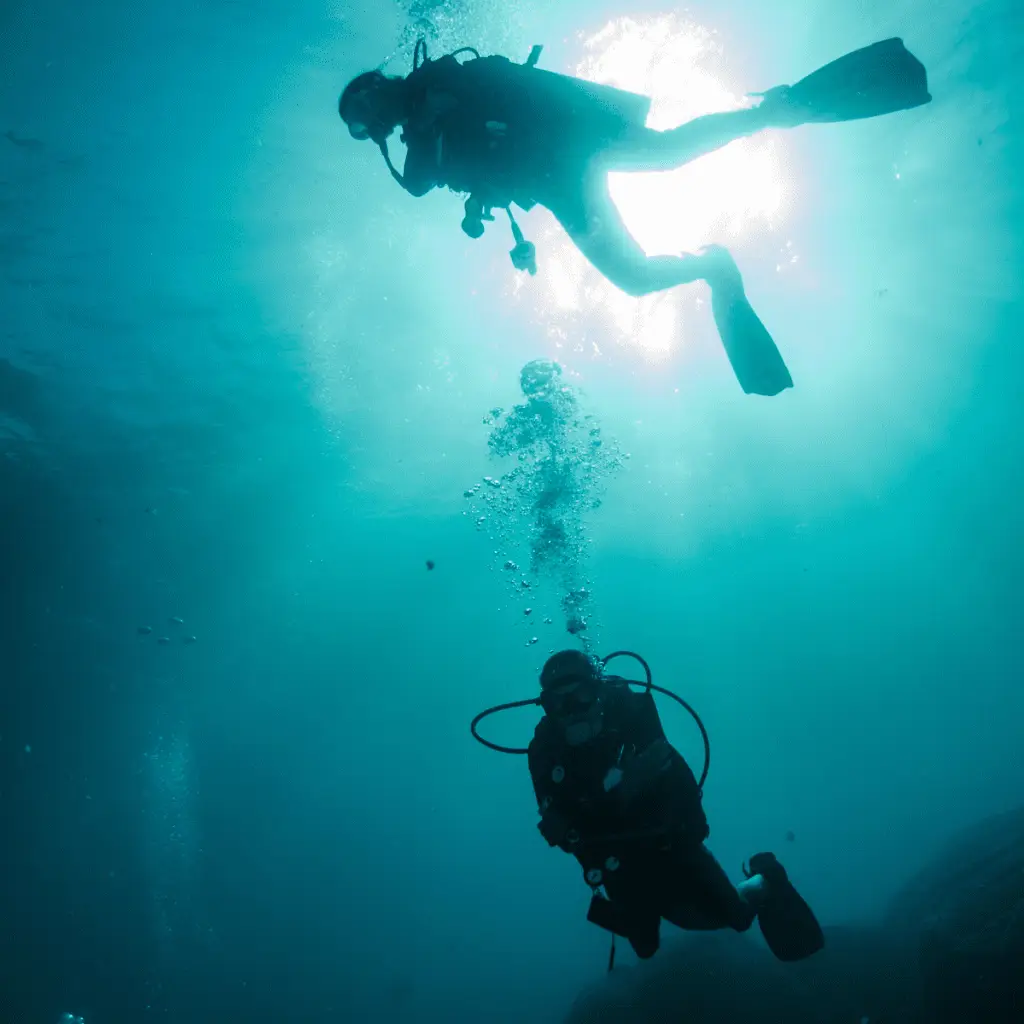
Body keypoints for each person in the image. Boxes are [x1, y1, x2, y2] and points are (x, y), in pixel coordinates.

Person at [338, 38, 931, 395]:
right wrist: (477, 206)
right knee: (635, 278)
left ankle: (776, 109)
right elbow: (443, 177)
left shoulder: (438, 81)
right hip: (556, 187)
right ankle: (714, 267)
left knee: (669, 152)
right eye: (359, 129)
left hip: (569, 140)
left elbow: (491, 99)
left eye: (362, 113)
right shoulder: (420, 145)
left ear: (375, 89)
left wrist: (439, 109)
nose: (368, 128)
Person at [526, 649, 824, 962]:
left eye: (581, 695)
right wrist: (566, 827)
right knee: (645, 947)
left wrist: (678, 820)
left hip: (668, 846)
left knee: (735, 917)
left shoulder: (632, 720)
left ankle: (766, 877)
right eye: (558, 702)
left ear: (597, 692)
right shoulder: (544, 752)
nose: (572, 710)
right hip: (616, 861)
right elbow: (556, 823)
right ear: (547, 706)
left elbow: (681, 784)